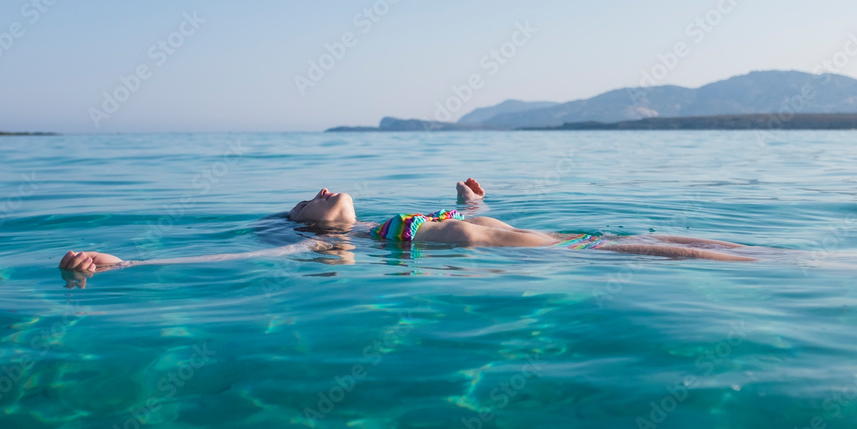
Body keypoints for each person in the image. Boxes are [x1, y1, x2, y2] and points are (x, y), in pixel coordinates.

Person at [58, 177, 755, 286]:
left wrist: (460, 203)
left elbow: (460, 218)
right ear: (299, 223)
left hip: (570, 243)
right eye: (308, 198)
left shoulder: (390, 223)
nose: (324, 189)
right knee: (746, 260)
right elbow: (215, 253)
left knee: (719, 248)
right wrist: (132, 264)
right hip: (575, 254)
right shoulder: (339, 243)